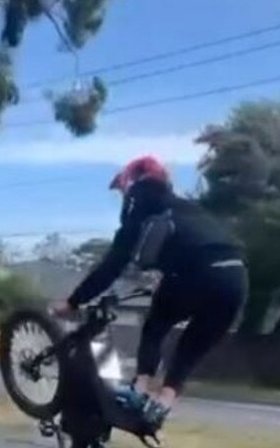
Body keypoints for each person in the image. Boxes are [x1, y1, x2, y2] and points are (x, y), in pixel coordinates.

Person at [53, 155, 248, 429]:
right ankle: (162, 404)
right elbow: (193, 245)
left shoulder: (142, 210)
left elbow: (113, 265)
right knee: (190, 349)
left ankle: (140, 389)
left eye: (123, 191)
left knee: (155, 326)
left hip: (197, 274)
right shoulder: (188, 208)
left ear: (133, 187)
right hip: (236, 278)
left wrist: (74, 301)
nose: (123, 198)